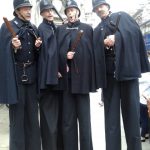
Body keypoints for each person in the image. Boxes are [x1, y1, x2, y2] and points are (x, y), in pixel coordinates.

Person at [92, 0, 150, 150]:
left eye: (101, 6)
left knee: (132, 115)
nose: (99, 9)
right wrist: (103, 44)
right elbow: (95, 51)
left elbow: (135, 33)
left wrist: (117, 38)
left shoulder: (122, 16)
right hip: (110, 77)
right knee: (110, 119)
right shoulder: (97, 29)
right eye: (96, 8)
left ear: (107, 6)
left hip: (127, 73)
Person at [0, 0, 42, 150]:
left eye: (29, 8)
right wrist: (12, 47)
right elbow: (2, 52)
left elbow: (38, 55)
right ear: (17, 11)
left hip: (32, 77)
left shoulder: (33, 27)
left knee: (32, 117)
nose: (29, 11)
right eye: (25, 9)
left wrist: (38, 47)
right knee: (17, 119)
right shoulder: (7, 27)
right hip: (16, 79)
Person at [56, 0, 96, 150]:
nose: (70, 13)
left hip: (82, 82)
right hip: (66, 82)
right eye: (68, 11)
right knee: (67, 121)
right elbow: (55, 52)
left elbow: (92, 54)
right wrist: (64, 56)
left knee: (85, 121)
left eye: (73, 10)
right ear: (66, 14)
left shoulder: (87, 29)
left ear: (78, 12)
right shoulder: (60, 30)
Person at [38, 0, 62, 150]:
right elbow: (46, 55)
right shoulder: (42, 29)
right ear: (41, 13)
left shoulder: (52, 27)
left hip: (54, 81)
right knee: (49, 121)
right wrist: (54, 72)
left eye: (51, 10)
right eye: (46, 11)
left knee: (55, 120)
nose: (50, 12)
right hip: (47, 82)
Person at [139, 72, 150, 141]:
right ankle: (147, 134)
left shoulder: (143, 75)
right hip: (148, 100)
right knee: (147, 118)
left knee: (144, 118)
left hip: (143, 100)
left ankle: (143, 135)